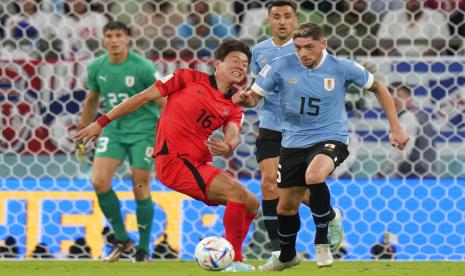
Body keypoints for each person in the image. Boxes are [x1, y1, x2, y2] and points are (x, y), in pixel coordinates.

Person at [233, 23, 409, 271]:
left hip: (331, 137)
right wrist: (245, 99)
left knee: (314, 175)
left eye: (309, 47)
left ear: (322, 44)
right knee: (286, 207)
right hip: (293, 141)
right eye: (298, 48)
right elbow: (254, 97)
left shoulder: (341, 67)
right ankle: (287, 255)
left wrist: (396, 127)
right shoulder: (282, 65)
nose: (303, 53)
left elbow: (378, 87)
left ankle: (321, 242)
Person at [74, 39, 260, 272]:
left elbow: (233, 135)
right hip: (174, 161)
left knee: (252, 203)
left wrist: (227, 146)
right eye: (235, 60)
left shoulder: (234, 105)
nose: (241, 67)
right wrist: (101, 122)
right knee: (237, 193)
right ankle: (234, 262)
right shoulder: (187, 78)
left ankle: (230, 257)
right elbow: (142, 98)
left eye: (245, 64)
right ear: (217, 63)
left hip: (198, 164)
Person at [75, 21, 164, 263]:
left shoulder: (143, 67)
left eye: (118, 35)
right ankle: (123, 239)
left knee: (140, 184)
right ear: (103, 40)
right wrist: (83, 132)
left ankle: (143, 249)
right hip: (113, 130)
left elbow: (162, 100)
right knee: (99, 181)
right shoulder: (96, 66)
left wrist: (168, 131)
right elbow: (92, 99)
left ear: (127, 39)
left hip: (144, 131)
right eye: (109, 36)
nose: (113, 40)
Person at [379, 83, 437, 178]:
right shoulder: (419, 114)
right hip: (426, 173)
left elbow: (402, 151)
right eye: (391, 97)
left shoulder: (408, 117)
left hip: (415, 175)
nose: (395, 100)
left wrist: (382, 173)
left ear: (409, 99)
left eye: (399, 97)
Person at [376, 0, 451, 56]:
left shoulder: (437, 16)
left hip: (429, 63)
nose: (414, 1)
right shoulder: (391, 16)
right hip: (397, 62)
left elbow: (439, 43)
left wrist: (417, 61)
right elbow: (383, 43)